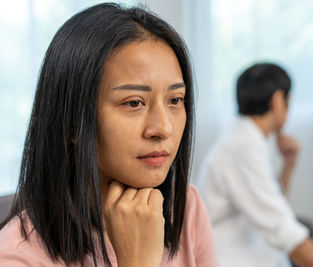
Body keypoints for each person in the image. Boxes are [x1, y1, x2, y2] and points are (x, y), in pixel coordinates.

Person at [0, 3, 218, 267]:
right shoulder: (17, 257)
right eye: (134, 102)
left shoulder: (185, 208)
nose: (164, 128)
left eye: (175, 99)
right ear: (72, 123)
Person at [197, 63, 313, 267]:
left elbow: (272, 204)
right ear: (278, 100)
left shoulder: (249, 138)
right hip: (233, 258)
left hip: (256, 253)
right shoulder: (243, 147)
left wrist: (288, 165)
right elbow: (280, 227)